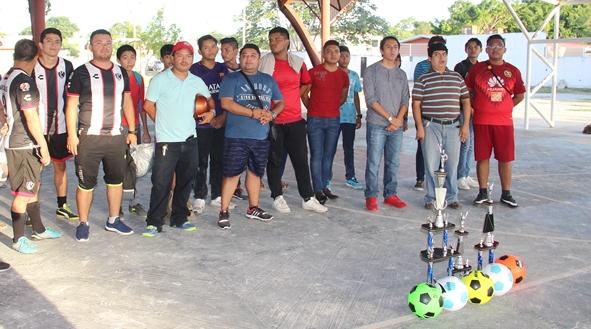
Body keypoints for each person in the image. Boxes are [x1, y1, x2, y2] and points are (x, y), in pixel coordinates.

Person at [65, 29, 137, 241]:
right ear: (90, 46)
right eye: (99, 43)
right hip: (89, 137)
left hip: (116, 137)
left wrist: (131, 130)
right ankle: (83, 223)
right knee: (86, 182)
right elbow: (70, 106)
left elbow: (128, 102)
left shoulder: (121, 72)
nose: (104, 46)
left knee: (116, 180)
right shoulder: (81, 72)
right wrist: (72, 135)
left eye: (108, 42)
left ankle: (113, 220)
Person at [142, 41, 215, 236]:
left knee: (186, 181)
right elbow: (148, 105)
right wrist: (163, 123)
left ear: (193, 59)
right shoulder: (160, 80)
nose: (184, 60)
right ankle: (154, 222)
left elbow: (209, 101)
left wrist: (212, 112)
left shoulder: (196, 81)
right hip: (167, 141)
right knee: (161, 182)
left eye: (188, 56)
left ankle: (179, 218)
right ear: (172, 58)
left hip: (190, 139)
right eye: (180, 55)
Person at [1, 39, 62, 253]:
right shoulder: (24, 81)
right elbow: (30, 116)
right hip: (24, 145)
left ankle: (38, 229)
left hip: (16, 142)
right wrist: (43, 146)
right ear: (36, 58)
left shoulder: (7, 76)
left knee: (32, 187)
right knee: (23, 194)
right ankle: (18, 239)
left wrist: (4, 122)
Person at [259, 26, 327, 213]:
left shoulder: (297, 62)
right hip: (273, 120)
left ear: (288, 41)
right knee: (274, 160)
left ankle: (308, 197)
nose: (273, 42)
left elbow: (307, 82)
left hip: (295, 119)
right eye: (271, 39)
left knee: (300, 161)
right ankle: (277, 196)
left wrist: (296, 95)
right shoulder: (263, 63)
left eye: (278, 38)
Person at [218, 43, 285, 229]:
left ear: (259, 59)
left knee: (255, 173)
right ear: (240, 58)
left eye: (253, 55)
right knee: (231, 174)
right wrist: (253, 113)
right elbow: (226, 104)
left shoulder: (268, 80)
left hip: (260, 136)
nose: (248, 59)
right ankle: (224, 211)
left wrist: (272, 114)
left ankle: (253, 208)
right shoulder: (232, 79)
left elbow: (280, 102)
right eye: (245, 55)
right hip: (236, 136)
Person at [464, 34, 525, 208]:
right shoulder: (477, 69)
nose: (495, 49)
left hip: (504, 123)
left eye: (499, 46)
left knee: (505, 158)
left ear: (504, 49)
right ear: (487, 49)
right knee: (482, 157)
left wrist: (507, 107)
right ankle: (483, 192)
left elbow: (520, 94)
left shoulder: (513, 70)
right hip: (482, 121)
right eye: (491, 46)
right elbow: (466, 90)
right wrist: (474, 106)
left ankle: (506, 193)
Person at [412, 43, 471, 209]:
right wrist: (420, 127)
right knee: (431, 164)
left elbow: (466, 102)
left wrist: (465, 125)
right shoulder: (423, 79)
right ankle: (431, 197)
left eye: (444, 54)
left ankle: (452, 197)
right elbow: (416, 104)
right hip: (431, 126)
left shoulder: (457, 78)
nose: (441, 58)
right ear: (430, 58)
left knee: (452, 164)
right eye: (437, 54)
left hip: (454, 127)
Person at [34, 28, 78, 220]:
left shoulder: (68, 66)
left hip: (60, 127)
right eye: (49, 41)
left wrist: (72, 131)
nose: (53, 45)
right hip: (36, 128)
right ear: (41, 45)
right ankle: (30, 210)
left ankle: (62, 205)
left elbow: (73, 99)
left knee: (60, 167)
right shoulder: (31, 65)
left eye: (57, 41)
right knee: (35, 169)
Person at [363, 36, 409, 211]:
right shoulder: (371, 71)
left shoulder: (401, 74)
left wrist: (398, 120)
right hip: (377, 124)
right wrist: (391, 119)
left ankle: (390, 194)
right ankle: (371, 196)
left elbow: (406, 99)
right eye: (388, 47)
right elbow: (371, 100)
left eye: (395, 47)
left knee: (393, 162)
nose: (392, 50)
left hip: (396, 126)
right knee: (373, 162)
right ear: (381, 50)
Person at [303, 40, 349, 202]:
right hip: (315, 120)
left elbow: (343, 96)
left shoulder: (343, 75)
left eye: (336, 51)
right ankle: (317, 189)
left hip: (334, 120)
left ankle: (325, 186)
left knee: (329, 154)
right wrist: (313, 108)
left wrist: (331, 108)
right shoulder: (313, 72)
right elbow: (304, 94)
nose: (333, 54)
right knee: (317, 154)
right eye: (329, 51)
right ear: (323, 54)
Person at [190, 35, 231, 214]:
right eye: (206, 47)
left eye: (214, 46)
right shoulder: (193, 70)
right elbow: (190, 99)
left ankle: (217, 195)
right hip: (201, 124)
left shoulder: (224, 69)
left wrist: (222, 117)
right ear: (200, 51)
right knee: (201, 161)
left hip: (221, 122)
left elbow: (230, 95)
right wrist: (204, 117)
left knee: (218, 159)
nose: (211, 50)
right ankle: (199, 195)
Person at [116, 44, 151, 217]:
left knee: (134, 165)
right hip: (117, 128)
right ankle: (117, 205)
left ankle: (132, 201)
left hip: (133, 127)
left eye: (132, 57)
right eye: (125, 57)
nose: (129, 61)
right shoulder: (114, 76)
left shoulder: (138, 78)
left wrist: (144, 129)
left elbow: (141, 106)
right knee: (118, 166)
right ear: (118, 60)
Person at [413, 35, 447, 191]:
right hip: (424, 114)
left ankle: (439, 178)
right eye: (436, 48)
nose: (440, 55)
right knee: (422, 146)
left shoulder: (446, 68)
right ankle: (420, 178)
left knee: (442, 151)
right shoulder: (421, 66)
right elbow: (419, 92)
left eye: (442, 48)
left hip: (442, 115)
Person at [454, 37, 483, 191]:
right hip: (464, 109)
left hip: (478, 110)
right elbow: (459, 90)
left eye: (476, 47)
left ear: (480, 50)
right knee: (465, 143)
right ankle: (459, 176)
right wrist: (468, 105)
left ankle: (466, 174)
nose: (473, 50)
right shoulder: (460, 67)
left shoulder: (484, 67)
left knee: (471, 145)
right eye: (470, 47)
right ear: (465, 49)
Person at [337, 45, 363, 190]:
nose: (344, 58)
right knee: (330, 148)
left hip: (349, 117)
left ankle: (350, 176)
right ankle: (326, 178)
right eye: (342, 55)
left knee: (349, 148)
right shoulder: (333, 73)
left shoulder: (353, 75)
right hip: (334, 116)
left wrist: (358, 115)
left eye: (347, 55)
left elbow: (355, 94)